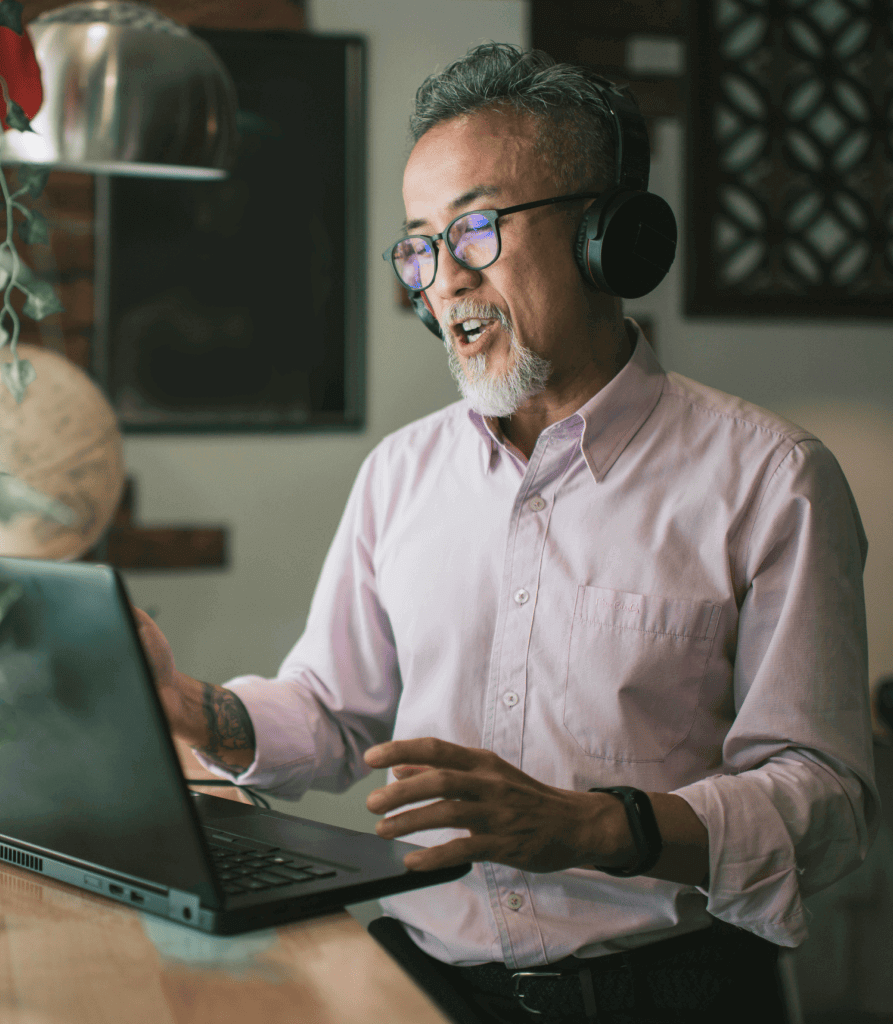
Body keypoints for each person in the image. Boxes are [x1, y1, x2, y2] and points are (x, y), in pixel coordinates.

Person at [134, 43, 878, 1024]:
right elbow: (331, 709)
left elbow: (824, 800)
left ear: (611, 236)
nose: (441, 282)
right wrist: (198, 712)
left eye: (476, 228)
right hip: (423, 984)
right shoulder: (401, 473)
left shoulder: (773, 478)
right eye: (419, 245)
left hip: (671, 995)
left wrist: (596, 826)